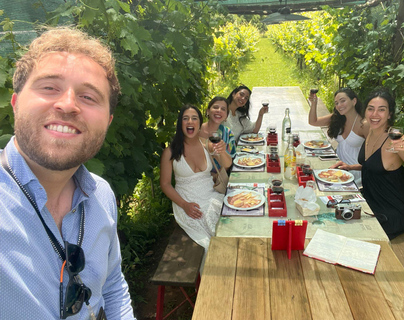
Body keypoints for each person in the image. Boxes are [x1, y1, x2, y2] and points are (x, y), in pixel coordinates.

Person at [0, 27, 135, 319]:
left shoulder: (101, 195)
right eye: (49, 87)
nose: (68, 104)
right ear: (15, 104)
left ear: (108, 121)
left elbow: (112, 286)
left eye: (88, 97)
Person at [333, 88, 404, 239]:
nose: (375, 114)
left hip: (392, 211)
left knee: (350, 237)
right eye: (371, 109)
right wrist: (350, 167)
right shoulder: (371, 131)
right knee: (334, 215)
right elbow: (375, 167)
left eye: (381, 110)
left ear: (389, 114)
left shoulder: (395, 139)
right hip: (371, 200)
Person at [160, 105, 231, 255]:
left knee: (228, 225)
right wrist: (184, 205)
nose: (190, 122)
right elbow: (165, 184)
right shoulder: (170, 151)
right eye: (185, 119)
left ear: (199, 123)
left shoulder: (206, 143)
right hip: (187, 201)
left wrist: (222, 151)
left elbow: (227, 164)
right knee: (210, 242)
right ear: (180, 124)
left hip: (211, 195)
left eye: (194, 118)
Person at [308, 88, 369, 186]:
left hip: (355, 173)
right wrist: (314, 103)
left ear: (354, 101)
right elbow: (313, 121)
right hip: (337, 167)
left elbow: (374, 159)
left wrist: (351, 167)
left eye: (342, 101)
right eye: (336, 103)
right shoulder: (338, 118)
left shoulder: (364, 124)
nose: (339, 105)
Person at [199, 96, 236, 163]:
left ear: (226, 116)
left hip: (218, 173)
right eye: (215, 107)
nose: (219, 110)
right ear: (208, 111)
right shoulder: (196, 130)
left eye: (223, 109)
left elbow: (230, 162)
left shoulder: (228, 133)